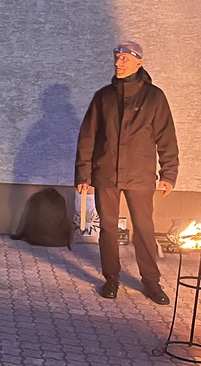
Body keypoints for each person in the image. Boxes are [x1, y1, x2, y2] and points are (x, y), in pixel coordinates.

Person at [75, 40, 179, 304]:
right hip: (106, 173)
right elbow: (88, 137)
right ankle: (111, 279)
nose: (118, 63)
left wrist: (168, 173)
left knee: (144, 228)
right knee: (108, 228)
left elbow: (167, 137)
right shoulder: (103, 96)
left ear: (139, 63)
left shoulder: (155, 97)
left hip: (140, 175)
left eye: (124, 59)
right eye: (117, 57)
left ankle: (151, 282)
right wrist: (83, 175)